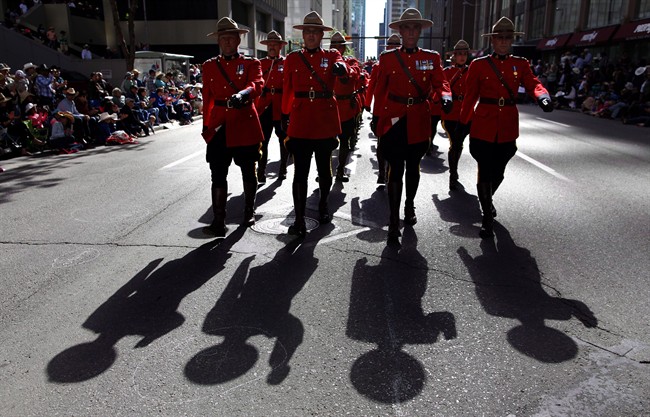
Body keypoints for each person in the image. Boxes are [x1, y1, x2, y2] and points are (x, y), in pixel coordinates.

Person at [457, 16, 553, 238]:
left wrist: (543, 97)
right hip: (483, 123)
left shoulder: (520, 64)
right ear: (493, 40)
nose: (503, 41)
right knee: (484, 169)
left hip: (507, 125)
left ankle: (487, 199)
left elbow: (533, 84)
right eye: (499, 38)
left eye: (507, 38)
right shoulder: (479, 65)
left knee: (498, 172)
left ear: (511, 40)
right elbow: (470, 97)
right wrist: (463, 123)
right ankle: (486, 217)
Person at [371, 8, 452, 242]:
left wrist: (445, 97)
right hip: (394, 119)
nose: (411, 31)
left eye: (415, 27)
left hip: (418, 119)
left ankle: (409, 205)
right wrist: (377, 117)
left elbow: (441, 82)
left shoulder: (431, 58)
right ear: (400, 30)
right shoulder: (387, 58)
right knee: (395, 169)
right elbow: (380, 89)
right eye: (406, 27)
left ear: (420, 31)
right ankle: (394, 219)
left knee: (413, 167)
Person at [281, 11, 349, 237]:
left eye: (315, 32)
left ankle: (323, 204)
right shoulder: (292, 58)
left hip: (324, 120)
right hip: (300, 120)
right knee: (299, 172)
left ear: (321, 35)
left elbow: (342, 65)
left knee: (324, 169)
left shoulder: (331, 56)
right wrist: (284, 113)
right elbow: (288, 88)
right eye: (307, 31)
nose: (311, 36)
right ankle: (299, 219)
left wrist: (342, 71)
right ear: (303, 35)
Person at [201, 17, 264, 237]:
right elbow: (206, 98)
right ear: (219, 40)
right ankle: (219, 220)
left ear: (239, 39)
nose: (227, 41)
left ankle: (248, 210)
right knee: (217, 173)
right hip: (219, 125)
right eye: (223, 38)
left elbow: (257, 84)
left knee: (248, 169)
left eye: (231, 37)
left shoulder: (251, 63)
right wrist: (207, 127)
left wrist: (244, 94)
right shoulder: (209, 66)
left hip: (244, 120)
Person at [365, 34, 401, 185]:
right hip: (380, 110)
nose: (392, 49)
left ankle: (389, 172)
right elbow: (372, 85)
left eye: (395, 47)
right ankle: (382, 172)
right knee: (381, 142)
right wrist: (367, 103)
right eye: (390, 47)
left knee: (397, 144)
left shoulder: (406, 66)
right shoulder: (378, 66)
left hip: (399, 111)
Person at [255, 30, 289, 183]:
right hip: (265, 106)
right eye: (270, 44)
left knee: (283, 140)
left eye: (275, 44)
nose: (272, 47)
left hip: (281, 106)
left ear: (280, 46)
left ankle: (283, 168)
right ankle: (261, 170)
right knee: (263, 141)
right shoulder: (260, 64)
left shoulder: (287, 63)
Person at [329, 31, 362, 183]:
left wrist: (344, 71)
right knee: (326, 143)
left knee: (345, 141)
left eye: (338, 46)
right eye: (333, 45)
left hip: (347, 106)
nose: (335, 48)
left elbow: (355, 73)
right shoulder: (326, 61)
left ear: (343, 48)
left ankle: (340, 170)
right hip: (330, 106)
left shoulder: (351, 62)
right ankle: (326, 170)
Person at [441, 40, 471, 191]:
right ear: (454, 56)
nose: (462, 57)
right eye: (459, 54)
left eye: (464, 54)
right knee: (456, 143)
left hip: (467, 112)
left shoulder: (472, 71)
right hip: (451, 113)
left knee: (460, 144)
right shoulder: (447, 72)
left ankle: (454, 169)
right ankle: (453, 173)